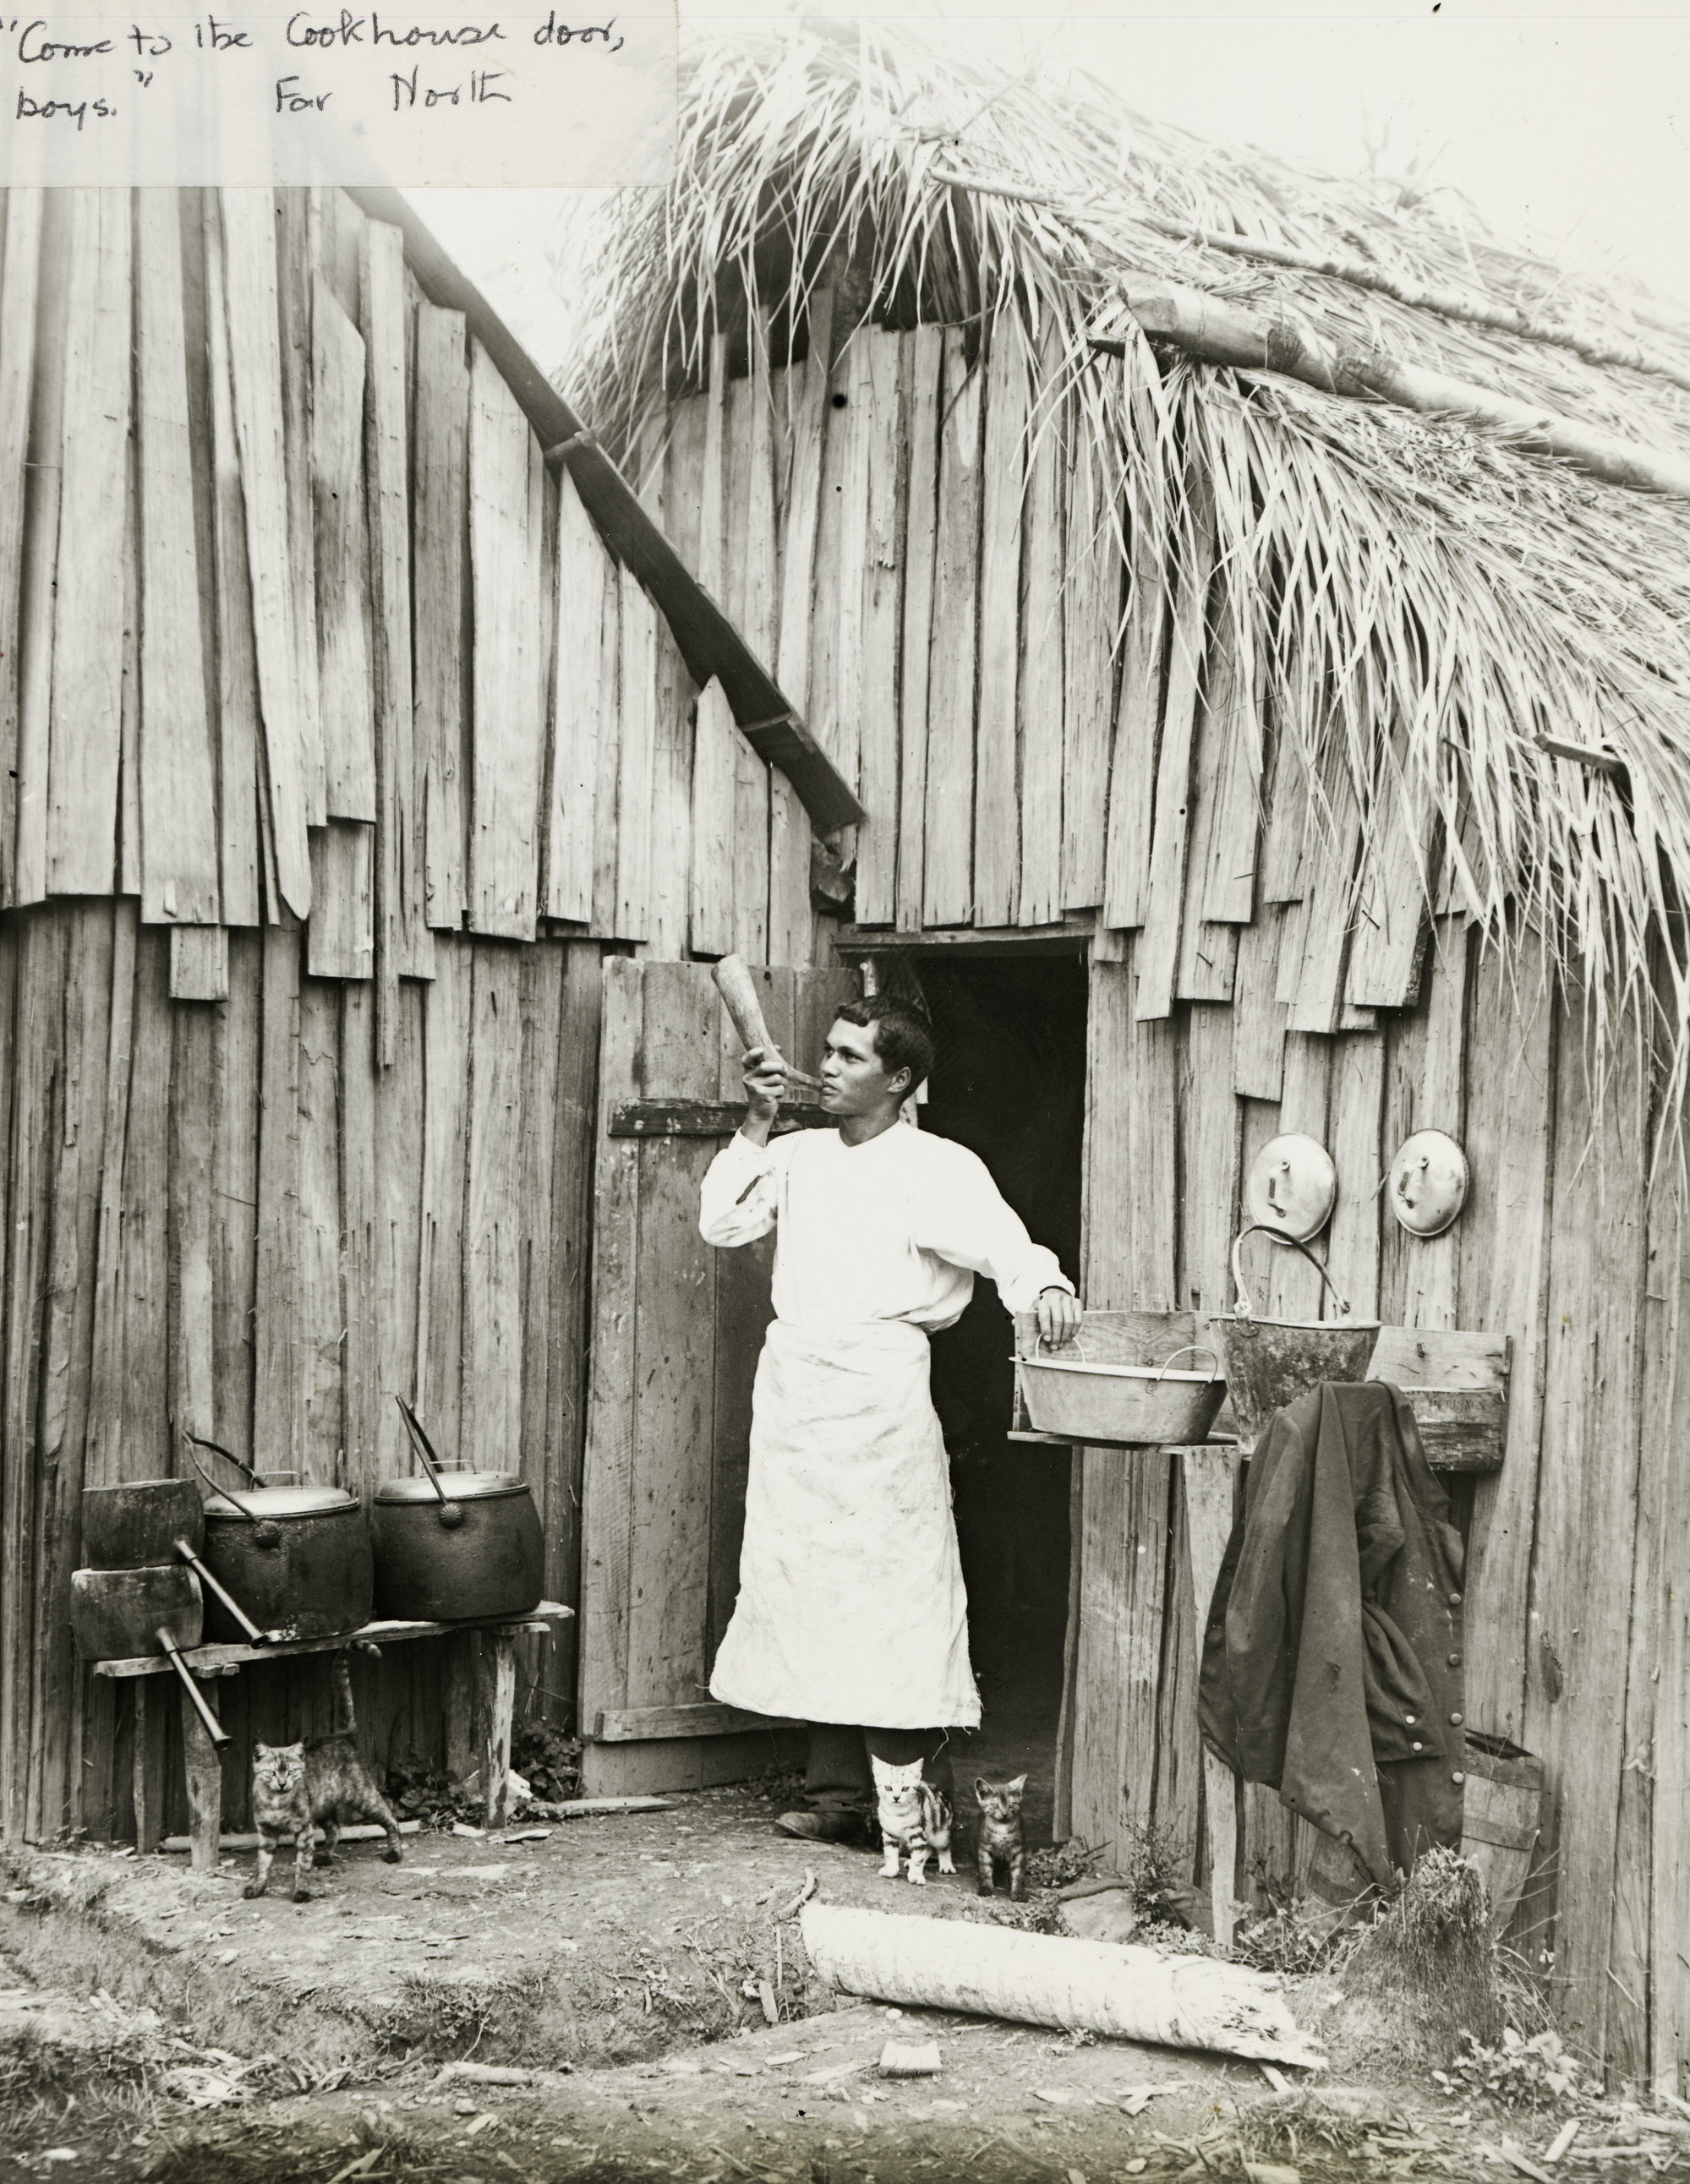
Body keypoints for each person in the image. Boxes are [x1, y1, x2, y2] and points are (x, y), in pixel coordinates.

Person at [698, 994, 1082, 1841]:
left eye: (849, 1057)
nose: (826, 1067)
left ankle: (918, 1800)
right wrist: (757, 1122)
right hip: (799, 1399)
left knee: (893, 1591)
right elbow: (722, 1222)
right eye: (827, 1052)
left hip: (879, 1397)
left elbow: (1001, 1244)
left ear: (900, 1078)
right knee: (811, 1588)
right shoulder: (796, 1155)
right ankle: (839, 1798)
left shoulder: (935, 1165)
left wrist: (1043, 1284)